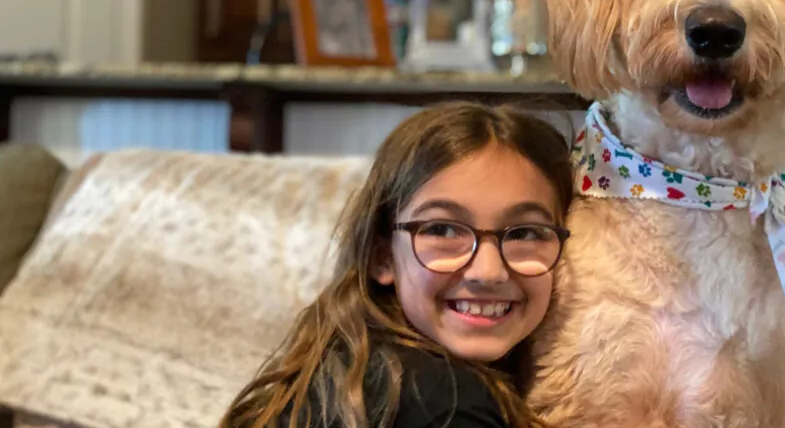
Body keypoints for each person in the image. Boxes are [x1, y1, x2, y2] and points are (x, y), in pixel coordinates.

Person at [220, 101, 575, 428]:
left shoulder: (350, 368)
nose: (488, 272)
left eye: (525, 233)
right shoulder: (446, 404)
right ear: (382, 256)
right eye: (442, 229)